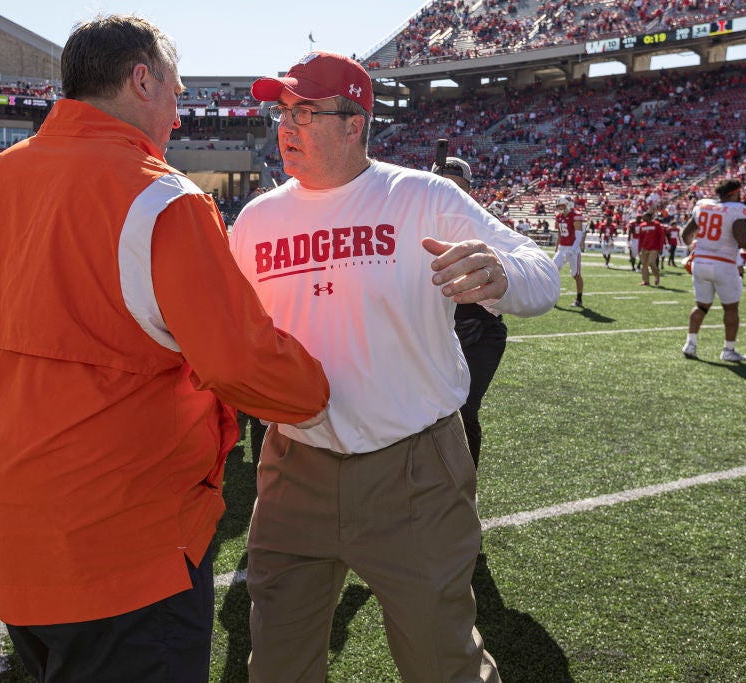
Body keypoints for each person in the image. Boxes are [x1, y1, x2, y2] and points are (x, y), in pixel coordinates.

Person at [0, 15, 329, 683]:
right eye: (175, 93)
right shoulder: (161, 197)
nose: (177, 116)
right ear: (140, 79)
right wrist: (322, 391)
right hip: (115, 538)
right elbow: (242, 362)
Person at [229, 51, 560, 683]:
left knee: (441, 661)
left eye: (305, 111)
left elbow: (539, 272)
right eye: (282, 111)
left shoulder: (422, 196)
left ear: (355, 123)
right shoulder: (256, 219)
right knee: (276, 663)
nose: (286, 126)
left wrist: (500, 271)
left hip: (414, 469)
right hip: (292, 465)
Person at [432, 156, 508, 468]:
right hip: (430, 327)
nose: (451, 196)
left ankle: (465, 492)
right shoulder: (410, 223)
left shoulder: (484, 227)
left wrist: (479, 311)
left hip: (477, 326)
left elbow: (513, 288)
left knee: (462, 410)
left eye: (458, 189)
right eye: (442, 188)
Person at [681, 178, 746, 362]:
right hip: (723, 264)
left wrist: (694, 249)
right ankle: (728, 350)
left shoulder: (703, 205)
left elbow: (685, 234)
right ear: (733, 193)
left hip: (700, 263)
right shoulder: (737, 209)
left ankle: (690, 344)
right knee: (731, 309)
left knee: (701, 306)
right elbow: (744, 241)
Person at [553, 194, 586, 307]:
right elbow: (560, 234)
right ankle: (552, 297)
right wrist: (557, 248)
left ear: (568, 204)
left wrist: (572, 250)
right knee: (552, 270)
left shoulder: (576, 216)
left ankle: (579, 299)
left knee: (576, 275)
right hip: (562, 248)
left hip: (573, 249)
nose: (559, 208)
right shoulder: (559, 217)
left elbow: (579, 236)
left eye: (561, 205)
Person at [636, 210, 665, 286]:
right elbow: (640, 238)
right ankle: (646, 281)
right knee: (644, 265)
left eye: (644, 217)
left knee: (651, 262)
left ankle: (657, 276)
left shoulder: (657, 224)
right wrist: (639, 249)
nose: (643, 218)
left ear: (649, 217)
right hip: (644, 248)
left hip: (654, 248)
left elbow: (661, 237)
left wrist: (661, 248)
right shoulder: (642, 225)